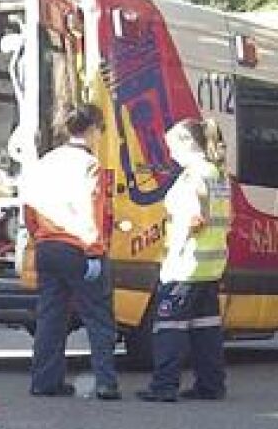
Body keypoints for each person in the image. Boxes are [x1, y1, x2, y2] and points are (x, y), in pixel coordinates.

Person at [21, 104, 119, 400]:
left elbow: (29, 209)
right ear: (91, 130)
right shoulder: (89, 166)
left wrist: (39, 236)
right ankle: (105, 383)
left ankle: (44, 381)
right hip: (79, 247)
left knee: (50, 318)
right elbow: (95, 211)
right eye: (100, 131)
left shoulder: (45, 163)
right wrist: (94, 251)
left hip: (48, 247)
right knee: (98, 317)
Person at [139, 118, 230, 402]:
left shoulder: (194, 176)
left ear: (188, 144)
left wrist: (172, 257)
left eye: (173, 147)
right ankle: (211, 384)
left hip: (187, 264)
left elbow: (194, 219)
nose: (171, 154)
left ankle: (164, 386)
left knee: (169, 326)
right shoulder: (217, 173)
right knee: (206, 327)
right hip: (211, 264)